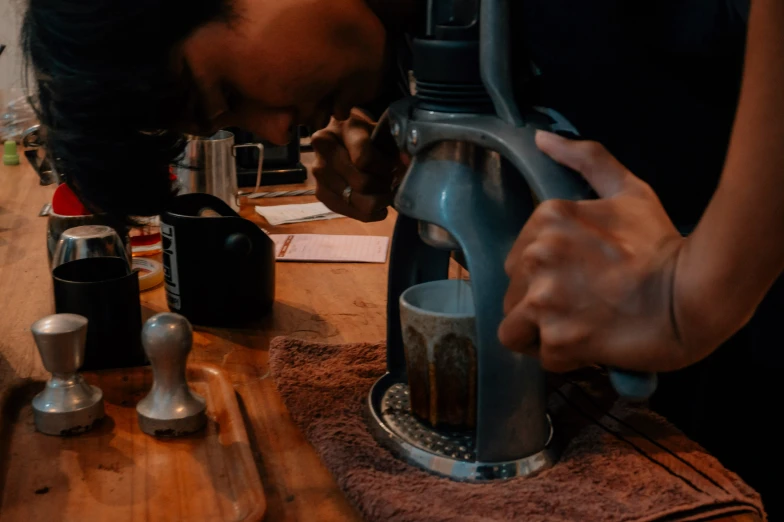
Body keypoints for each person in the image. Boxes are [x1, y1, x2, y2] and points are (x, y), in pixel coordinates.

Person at [22, 0, 779, 516]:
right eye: (232, 129)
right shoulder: (429, 22)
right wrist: (396, 121)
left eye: (225, 93)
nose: (280, 133)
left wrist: (703, 290)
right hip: (676, 411)